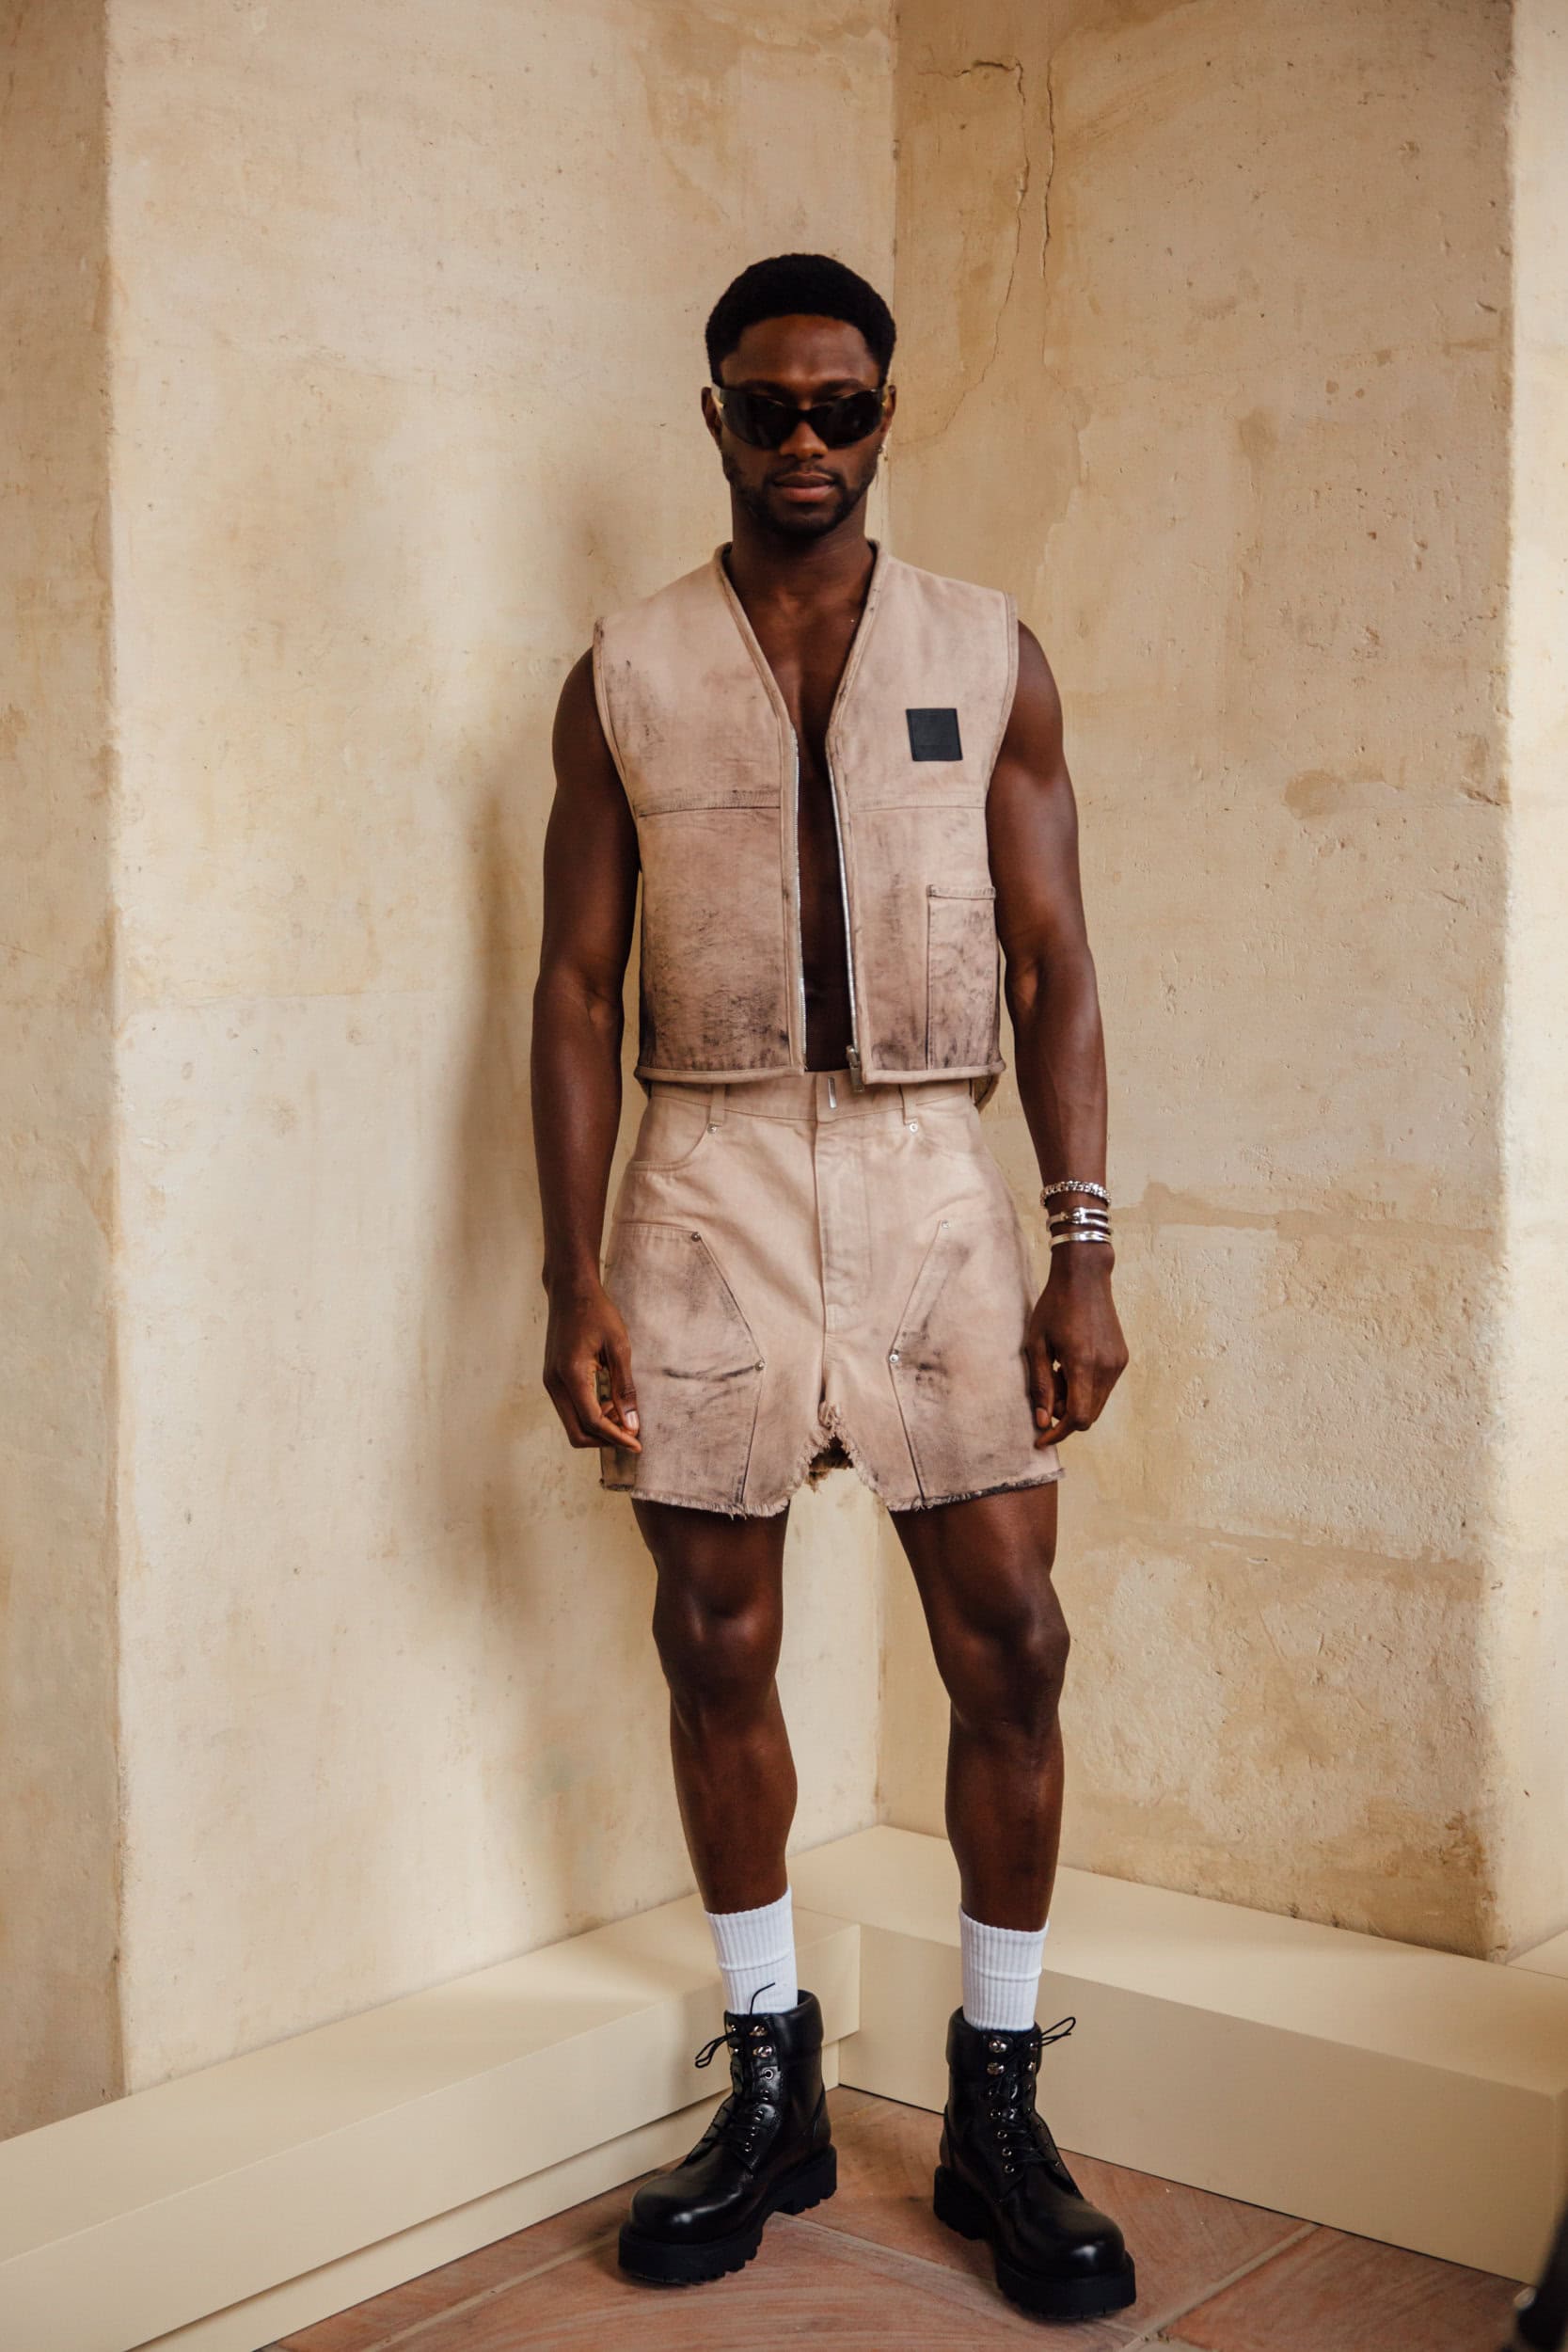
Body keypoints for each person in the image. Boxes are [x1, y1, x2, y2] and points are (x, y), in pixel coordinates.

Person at [531, 252, 1133, 2322]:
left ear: (887, 412)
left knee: (1015, 1641)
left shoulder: (988, 650)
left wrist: (1081, 1244)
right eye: (769, 405)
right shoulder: (621, 667)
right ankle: (773, 2077)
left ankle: (995, 2104)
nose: (807, 439)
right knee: (715, 1637)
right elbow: (575, 988)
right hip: (701, 1171)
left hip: (930, 1169)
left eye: (842, 406)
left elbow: (1054, 963)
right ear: (712, 412)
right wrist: (571, 1272)